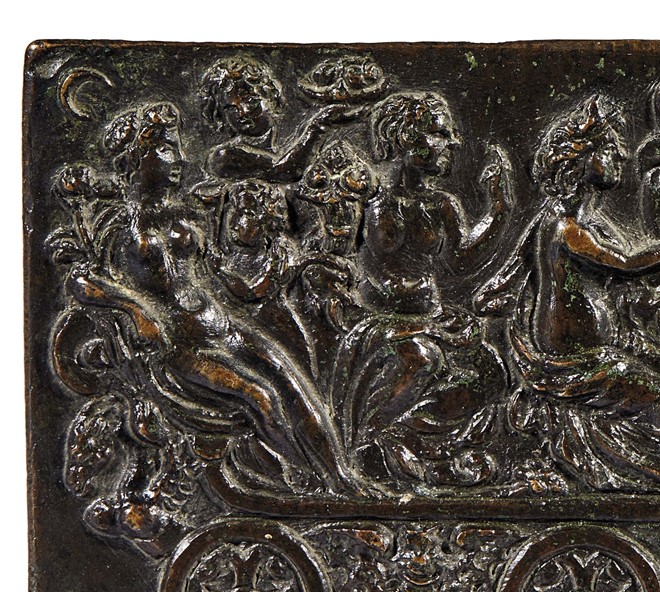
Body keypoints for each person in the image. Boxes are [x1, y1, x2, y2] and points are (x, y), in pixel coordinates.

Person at [69, 101, 360, 494]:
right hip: (182, 346)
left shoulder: (184, 215)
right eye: (167, 148)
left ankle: (342, 476)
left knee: (293, 384)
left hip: (224, 325)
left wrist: (278, 273)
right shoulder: (118, 228)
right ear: (137, 158)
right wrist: (135, 308)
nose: (180, 158)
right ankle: (313, 482)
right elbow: (82, 282)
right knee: (260, 396)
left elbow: (216, 274)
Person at [477, 95, 660, 491]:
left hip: (599, 349)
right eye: (610, 148)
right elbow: (628, 264)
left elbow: (627, 281)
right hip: (572, 360)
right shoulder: (564, 227)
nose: (622, 155)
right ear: (579, 159)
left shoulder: (584, 223)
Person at [332, 90, 510, 487]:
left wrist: (498, 209)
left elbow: (462, 261)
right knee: (421, 360)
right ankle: (369, 442)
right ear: (407, 137)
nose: (452, 143)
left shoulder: (441, 204)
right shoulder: (368, 197)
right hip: (382, 322)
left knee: (490, 370)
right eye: (439, 133)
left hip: (430, 317)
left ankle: (418, 443)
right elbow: (336, 252)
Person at [198, 55, 360, 183]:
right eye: (230, 108)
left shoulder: (280, 149)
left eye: (250, 100)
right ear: (220, 116)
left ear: (270, 97)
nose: (243, 113)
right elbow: (283, 171)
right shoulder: (224, 157)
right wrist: (319, 126)